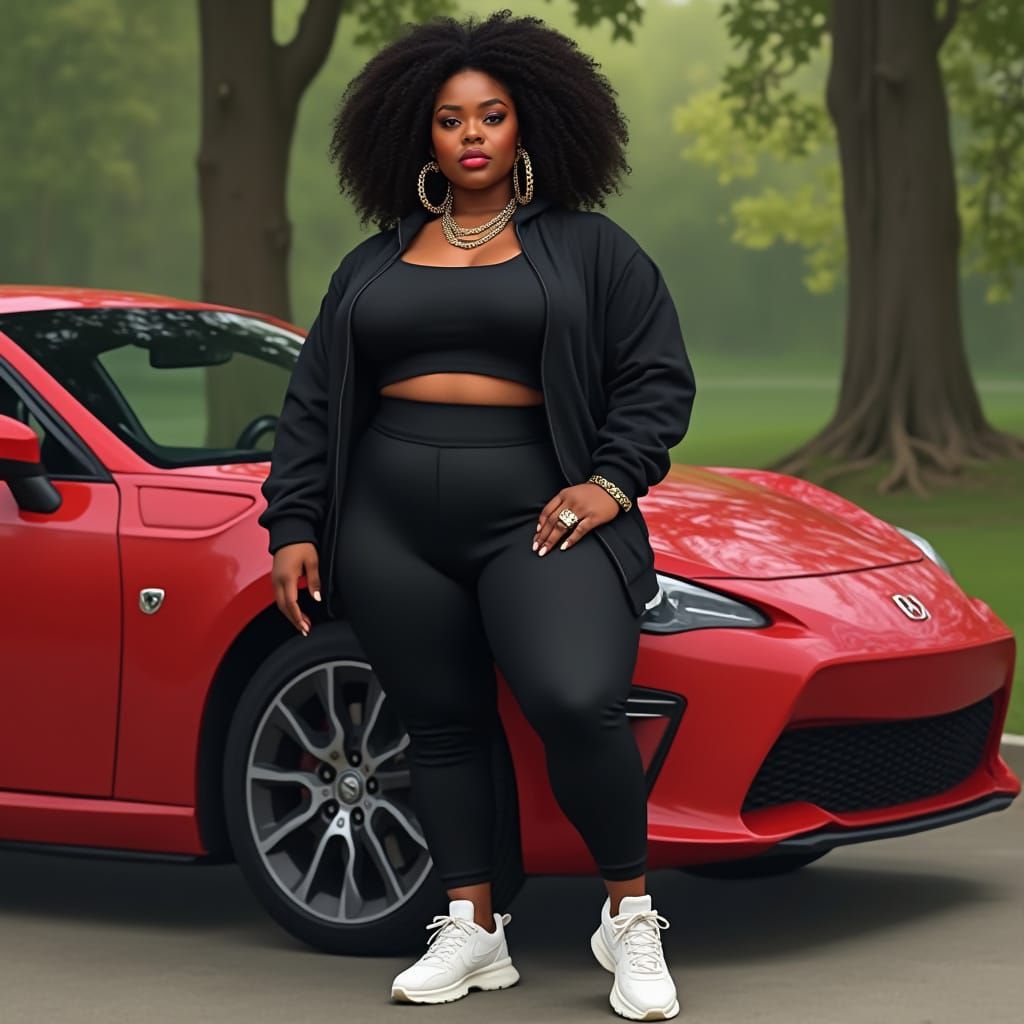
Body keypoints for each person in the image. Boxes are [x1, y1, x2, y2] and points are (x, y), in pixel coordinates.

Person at [258, 9, 696, 1020]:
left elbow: (657, 379)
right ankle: (473, 926)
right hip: (388, 522)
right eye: (450, 119)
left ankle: (629, 916)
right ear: (420, 132)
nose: (471, 135)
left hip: (535, 516)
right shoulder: (371, 264)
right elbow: (314, 400)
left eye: (490, 116)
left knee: (575, 699)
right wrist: (293, 524)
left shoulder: (591, 250)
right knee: (441, 724)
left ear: (526, 123)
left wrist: (610, 484)